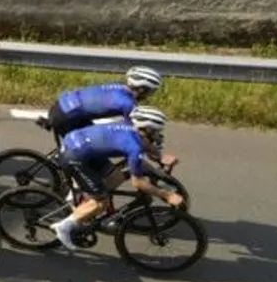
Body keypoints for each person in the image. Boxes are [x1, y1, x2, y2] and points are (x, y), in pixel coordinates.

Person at [50, 106, 183, 251]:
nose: (158, 134)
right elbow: (137, 182)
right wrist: (167, 195)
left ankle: (81, 194)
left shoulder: (129, 126)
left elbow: (144, 144)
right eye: (156, 130)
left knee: (115, 176)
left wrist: (160, 156)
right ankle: (64, 227)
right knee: (101, 203)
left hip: (81, 148)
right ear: (147, 129)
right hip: (74, 158)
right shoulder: (134, 146)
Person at [44, 66, 165, 144]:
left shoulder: (119, 87)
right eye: (151, 91)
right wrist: (153, 140)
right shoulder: (127, 104)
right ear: (142, 89)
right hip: (65, 118)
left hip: (62, 107)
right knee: (90, 151)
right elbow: (134, 130)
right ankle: (75, 179)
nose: (151, 95)